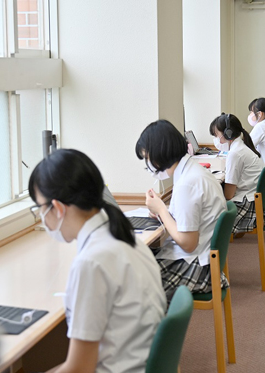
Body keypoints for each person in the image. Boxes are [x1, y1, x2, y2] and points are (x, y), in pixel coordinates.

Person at [28, 149, 166, 373]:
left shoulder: (92, 263)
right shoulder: (126, 237)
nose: (41, 217)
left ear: (59, 208)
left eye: (40, 208)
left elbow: (79, 368)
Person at [136, 120, 229, 302]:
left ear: (159, 153)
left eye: (147, 157)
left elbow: (188, 243)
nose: (148, 165)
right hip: (203, 260)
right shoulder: (192, 172)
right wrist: (163, 212)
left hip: (196, 268)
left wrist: (162, 211)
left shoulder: (187, 182)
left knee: (124, 284)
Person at [209, 113, 265, 235]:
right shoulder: (242, 146)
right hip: (257, 199)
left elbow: (229, 194)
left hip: (249, 205)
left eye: (217, 135)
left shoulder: (235, 153)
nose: (216, 139)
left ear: (228, 133)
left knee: (207, 210)